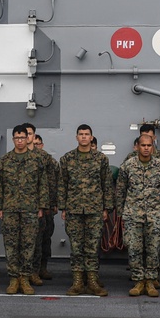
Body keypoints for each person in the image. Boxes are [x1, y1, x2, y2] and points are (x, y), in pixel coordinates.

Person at [116, 133, 160, 297]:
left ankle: (150, 281)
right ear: (137, 147)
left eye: (149, 146)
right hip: (133, 215)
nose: (146, 148)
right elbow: (120, 191)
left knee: (153, 249)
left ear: (153, 147)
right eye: (143, 145)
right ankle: (138, 281)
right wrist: (121, 213)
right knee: (134, 249)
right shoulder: (127, 166)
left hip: (154, 215)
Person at [0, 124, 48, 295]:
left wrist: (41, 207)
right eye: (17, 138)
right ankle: (13, 278)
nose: (19, 141)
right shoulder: (4, 161)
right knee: (10, 245)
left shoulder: (37, 160)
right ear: (13, 140)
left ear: (28, 138)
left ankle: (25, 278)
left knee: (28, 244)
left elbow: (43, 185)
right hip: (9, 209)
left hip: (30, 210)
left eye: (22, 138)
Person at [58, 124, 112, 296]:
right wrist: (63, 207)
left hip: (95, 209)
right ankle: (77, 282)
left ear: (91, 137)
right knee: (76, 248)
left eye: (86, 134)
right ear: (76, 137)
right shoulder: (67, 159)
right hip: (73, 210)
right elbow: (62, 185)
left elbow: (107, 185)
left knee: (92, 247)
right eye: (80, 134)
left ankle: (93, 282)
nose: (83, 137)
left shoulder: (101, 159)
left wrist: (107, 208)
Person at [30, 131, 59, 284]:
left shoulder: (50, 162)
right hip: (32, 207)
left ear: (42, 145)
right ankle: (32, 271)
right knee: (33, 240)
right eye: (33, 144)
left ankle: (43, 267)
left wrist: (54, 204)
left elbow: (54, 184)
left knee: (45, 239)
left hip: (47, 207)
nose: (36, 146)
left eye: (38, 144)